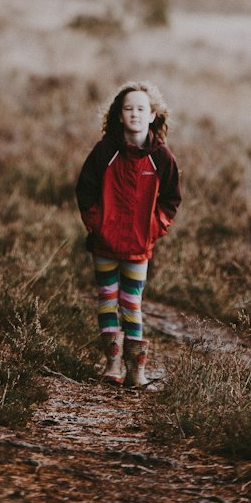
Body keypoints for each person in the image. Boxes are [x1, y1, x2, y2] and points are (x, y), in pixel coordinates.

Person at [75, 80, 181, 389]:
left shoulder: (161, 156)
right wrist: (98, 225)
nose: (135, 114)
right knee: (107, 299)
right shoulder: (105, 150)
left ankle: (137, 370)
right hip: (104, 244)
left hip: (139, 246)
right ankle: (112, 365)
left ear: (152, 115)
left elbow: (171, 200)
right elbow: (85, 191)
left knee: (131, 302)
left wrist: (153, 229)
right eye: (128, 108)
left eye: (141, 109)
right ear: (119, 115)